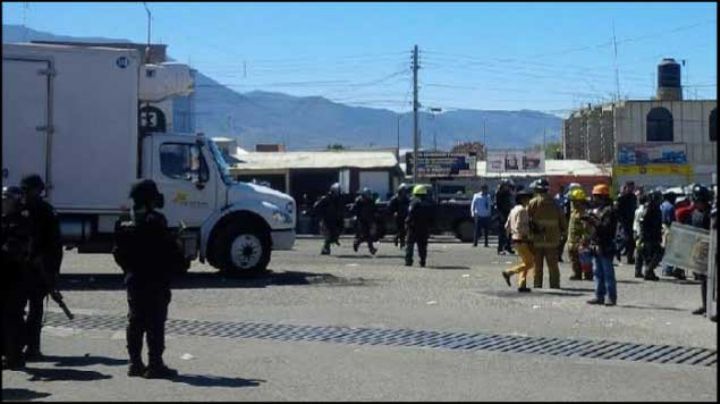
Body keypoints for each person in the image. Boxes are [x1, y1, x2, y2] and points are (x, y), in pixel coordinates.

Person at [113, 179, 185, 379]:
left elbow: (117, 252)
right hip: (155, 278)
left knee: (135, 321)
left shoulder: (124, 221)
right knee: (155, 322)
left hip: (134, 278)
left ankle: (135, 363)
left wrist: (128, 270)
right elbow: (166, 251)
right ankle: (155, 364)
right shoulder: (156, 220)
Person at [20, 174, 63, 361]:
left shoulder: (32, 210)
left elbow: (54, 244)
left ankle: (28, 347)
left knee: (33, 310)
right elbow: (55, 244)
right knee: (26, 310)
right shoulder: (43, 210)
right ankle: (25, 347)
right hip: (28, 267)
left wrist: (52, 270)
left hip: (35, 267)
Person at [2, 186, 33, 370]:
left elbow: (14, 249)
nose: (3, 203)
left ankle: (15, 355)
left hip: (15, 277)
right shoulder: (4, 220)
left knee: (12, 317)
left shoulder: (21, 223)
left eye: (7, 199)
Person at [527, 178, 567, 289]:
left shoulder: (533, 202)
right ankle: (555, 285)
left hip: (538, 239)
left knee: (537, 265)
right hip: (552, 239)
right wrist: (564, 232)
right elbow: (562, 219)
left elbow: (527, 220)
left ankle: (537, 284)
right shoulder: (555, 202)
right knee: (553, 265)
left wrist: (528, 237)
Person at [585, 184, 619, 306]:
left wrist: (592, 220)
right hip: (596, 245)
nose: (593, 199)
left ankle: (611, 297)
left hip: (605, 245)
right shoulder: (598, 210)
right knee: (597, 273)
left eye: (596, 197)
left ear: (602, 197)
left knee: (607, 273)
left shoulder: (610, 211)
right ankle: (599, 295)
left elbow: (606, 228)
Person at [681, 184, 712, 315]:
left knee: (712, 281)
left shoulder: (711, 214)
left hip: (712, 251)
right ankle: (705, 306)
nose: (696, 204)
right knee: (703, 280)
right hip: (700, 251)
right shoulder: (695, 213)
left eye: (698, 201)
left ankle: (711, 307)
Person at [501, 189, 534, 292]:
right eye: (528, 199)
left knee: (524, 262)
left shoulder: (513, 210)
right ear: (523, 200)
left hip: (514, 239)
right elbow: (520, 225)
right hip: (522, 238)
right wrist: (526, 234)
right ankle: (509, 272)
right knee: (530, 263)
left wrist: (508, 237)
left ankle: (522, 284)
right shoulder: (522, 210)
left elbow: (507, 226)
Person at [405, 184, 435, 267]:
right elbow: (432, 217)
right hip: (424, 228)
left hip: (413, 227)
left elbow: (410, 215)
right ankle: (422, 261)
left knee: (410, 244)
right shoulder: (429, 204)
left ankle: (408, 261)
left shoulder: (413, 203)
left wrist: (407, 223)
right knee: (422, 246)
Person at [567, 188, 592, 281]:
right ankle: (577, 273)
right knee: (573, 258)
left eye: (573, 200)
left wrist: (584, 239)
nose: (572, 202)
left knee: (584, 258)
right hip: (572, 240)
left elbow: (586, 227)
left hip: (580, 240)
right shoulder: (575, 211)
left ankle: (588, 274)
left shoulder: (583, 212)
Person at [638, 189, 663, 281]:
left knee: (653, 255)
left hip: (654, 235)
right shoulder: (649, 208)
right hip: (649, 236)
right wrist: (643, 237)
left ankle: (649, 272)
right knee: (658, 253)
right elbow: (643, 223)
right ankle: (648, 270)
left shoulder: (655, 208)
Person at [312, 183, 344, 255]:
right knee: (329, 235)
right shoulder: (326, 199)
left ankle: (327, 247)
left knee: (336, 233)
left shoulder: (339, 200)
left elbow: (341, 210)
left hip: (335, 221)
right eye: (336, 191)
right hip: (326, 221)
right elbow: (316, 207)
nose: (337, 193)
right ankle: (325, 248)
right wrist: (320, 214)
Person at [616, 181, 638, 264]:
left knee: (631, 241)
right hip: (624, 221)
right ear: (626, 187)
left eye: (633, 187)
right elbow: (618, 210)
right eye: (630, 187)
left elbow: (635, 207)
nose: (632, 189)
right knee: (627, 239)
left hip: (632, 220)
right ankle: (618, 250)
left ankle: (630, 258)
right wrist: (620, 220)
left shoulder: (633, 197)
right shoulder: (622, 197)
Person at [351, 187, 377, 255]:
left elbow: (374, 209)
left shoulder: (371, 201)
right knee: (367, 235)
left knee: (368, 236)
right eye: (367, 194)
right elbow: (354, 209)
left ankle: (357, 243)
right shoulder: (359, 201)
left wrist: (375, 217)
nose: (368, 196)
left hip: (369, 220)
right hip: (361, 220)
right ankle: (371, 249)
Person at [494, 179, 515, 255]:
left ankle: (508, 247)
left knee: (509, 232)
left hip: (508, 213)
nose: (508, 187)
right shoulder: (499, 193)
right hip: (502, 214)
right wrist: (500, 215)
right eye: (507, 186)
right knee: (502, 233)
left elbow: (511, 202)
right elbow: (497, 205)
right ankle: (500, 249)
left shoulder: (508, 193)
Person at [660, 190, 677, 277]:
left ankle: (664, 269)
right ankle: (667, 269)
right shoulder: (671, 207)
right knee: (670, 250)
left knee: (664, 249)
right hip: (668, 228)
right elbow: (672, 221)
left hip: (661, 228)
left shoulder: (662, 205)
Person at [388, 183, 411, 249]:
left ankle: (397, 238)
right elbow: (390, 207)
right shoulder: (395, 198)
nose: (404, 192)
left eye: (405, 190)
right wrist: (394, 213)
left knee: (405, 230)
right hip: (398, 216)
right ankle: (402, 244)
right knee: (401, 230)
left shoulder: (407, 198)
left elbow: (409, 206)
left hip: (405, 215)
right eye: (403, 190)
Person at [632, 193, 649, 278]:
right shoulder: (645, 210)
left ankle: (637, 271)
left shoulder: (637, 210)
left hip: (637, 232)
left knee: (638, 253)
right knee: (644, 253)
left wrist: (634, 231)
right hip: (643, 234)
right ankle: (645, 271)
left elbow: (635, 222)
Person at [554, 185, 569, 262]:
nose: (561, 191)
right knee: (557, 238)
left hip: (564, 219)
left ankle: (559, 254)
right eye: (560, 189)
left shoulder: (566, 198)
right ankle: (556, 255)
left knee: (564, 238)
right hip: (557, 219)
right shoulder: (555, 198)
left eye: (562, 189)